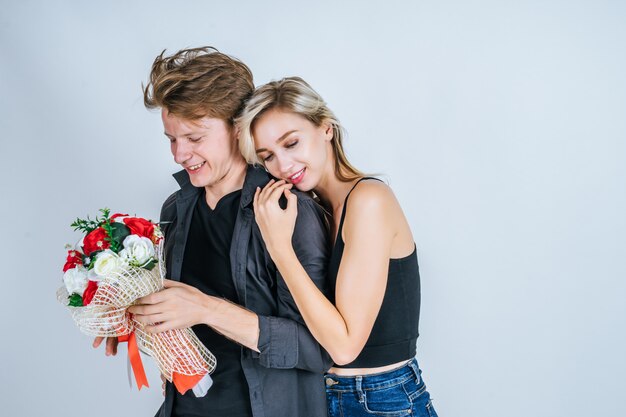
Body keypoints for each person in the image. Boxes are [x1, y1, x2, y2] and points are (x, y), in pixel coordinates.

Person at [94, 48, 332, 417]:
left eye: (194, 138)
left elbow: (318, 350)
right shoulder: (175, 208)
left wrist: (206, 308)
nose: (178, 154)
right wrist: (132, 316)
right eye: (171, 139)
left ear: (238, 129)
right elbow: (177, 313)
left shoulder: (290, 211)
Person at [237, 76, 438, 417]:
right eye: (268, 156)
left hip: (379, 400)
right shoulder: (323, 211)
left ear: (325, 128)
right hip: (330, 397)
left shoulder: (369, 200)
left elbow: (344, 347)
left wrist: (279, 248)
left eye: (292, 143)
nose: (283, 166)